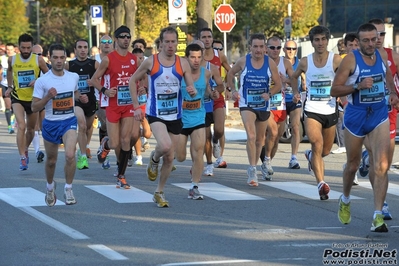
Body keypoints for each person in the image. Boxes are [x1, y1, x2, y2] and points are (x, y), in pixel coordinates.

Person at [332, 23, 399, 232]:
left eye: (375, 38)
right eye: (366, 40)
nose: (372, 43)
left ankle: (377, 215)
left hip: (379, 114)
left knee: (381, 165)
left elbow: (387, 76)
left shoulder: (381, 55)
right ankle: (345, 199)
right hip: (356, 116)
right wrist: (357, 86)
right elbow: (334, 89)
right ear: (358, 42)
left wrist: (393, 93)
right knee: (353, 165)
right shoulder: (351, 60)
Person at [129, 26, 197, 207]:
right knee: (165, 146)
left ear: (177, 43)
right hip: (155, 113)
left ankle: (159, 191)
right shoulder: (151, 62)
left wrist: (191, 90)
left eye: (173, 41)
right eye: (166, 42)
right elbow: (132, 80)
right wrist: (136, 106)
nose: (170, 45)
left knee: (169, 157)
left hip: (175, 114)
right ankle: (154, 157)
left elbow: (191, 88)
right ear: (160, 43)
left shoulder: (183, 63)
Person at [290, 26, 342, 200]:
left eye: (323, 39)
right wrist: (295, 91)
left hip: (330, 109)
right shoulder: (305, 61)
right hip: (312, 109)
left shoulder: (336, 60)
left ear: (327, 41)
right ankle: (321, 184)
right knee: (316, 142)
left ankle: (312, 157)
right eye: (317, 40)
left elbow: (346, 76)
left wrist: (342, 93)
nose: (320, 43)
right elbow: (294, 76)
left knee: (325, 150)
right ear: (312, 42)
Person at [356, 19, 399, 221]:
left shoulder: (392, 56)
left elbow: (393, 82)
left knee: (384, 164)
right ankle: (381, 205)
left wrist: (393, 94)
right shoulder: (356, 57)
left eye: (382, 35)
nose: (379, 39)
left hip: (387, 112)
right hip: (364, 112)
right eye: (376, 35)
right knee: (376, 158)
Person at [226, 33, 282, 186]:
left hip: (263, 104)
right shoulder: (243, 61)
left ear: (265, 48)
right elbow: (230, 73)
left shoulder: (270, 63)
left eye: (261, 46)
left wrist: (269, 93)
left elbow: (278, 85)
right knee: (251, 135)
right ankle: (252, 170)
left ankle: (255, 165)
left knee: (259, 139)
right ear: (250, 47)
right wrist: (232, 90)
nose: (258, 50)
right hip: (246, 103)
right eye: (255, 46)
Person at [32, 43, 82, 206]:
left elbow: (74, 92)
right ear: (49, 58)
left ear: (65, 58)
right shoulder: (42, 81)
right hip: (51, 124)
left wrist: (80, 97)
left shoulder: (73, 76)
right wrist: (47, 97)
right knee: (51, 160)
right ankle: (50, 187)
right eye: (55, 57)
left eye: (62, 57)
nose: (59, 61)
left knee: (69, 155)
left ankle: (68, 189)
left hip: (68, 121)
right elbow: (34, 107)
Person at [91, 26, 139, 189]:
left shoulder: (134, 59)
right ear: (116, 40)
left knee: (126, 140)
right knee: (114, 142)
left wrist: (140, 88)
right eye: (122, 37)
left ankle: (121, 175)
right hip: (112, 105)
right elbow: (94, 79)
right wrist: (105, 90)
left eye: (128, 36)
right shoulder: (108, 59)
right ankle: (105, 144)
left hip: (128, 105)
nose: (126, 39)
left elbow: (140, 78)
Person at [175, 43, 219, 199]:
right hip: (180, 119)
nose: (196, 60)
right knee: (180, 157)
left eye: (199, 57)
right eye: (192, 57)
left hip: (198, 117)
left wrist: (212, 94)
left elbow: (207, 90)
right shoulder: (178, 74)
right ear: (187, 58)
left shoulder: (206, 73)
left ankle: (194, 186)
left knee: (198, 151)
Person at [5, 34, 49, 170]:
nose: (25, 50)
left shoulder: (39, 60)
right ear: (19, 47)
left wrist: (38, 81)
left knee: (31, 130)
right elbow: (10, 71)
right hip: (17, 97)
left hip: (33, 99)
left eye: (28, 48)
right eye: (23, 48)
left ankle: (25, 149)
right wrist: (10, 86)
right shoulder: (12, 59)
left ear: (32, 47)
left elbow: (49, 76)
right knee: (21, 126)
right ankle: (22, 157)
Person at [260, 36, 297, 181]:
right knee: (272, 132)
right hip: (264, 104)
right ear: (266, 48)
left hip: (279, 104)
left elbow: (293, 79)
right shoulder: (260, 62)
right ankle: (266, 160)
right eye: (271, 47)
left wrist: (294, 91)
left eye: (277, 48)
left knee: (276, 139)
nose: (275, 51)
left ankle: (266, 161)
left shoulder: (285, 62)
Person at [65, 39, 99, 170]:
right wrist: (76, 95)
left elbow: (103, 77)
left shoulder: (94, 64)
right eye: (80, 47)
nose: (83, 49)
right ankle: (83, 156)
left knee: (88, 128)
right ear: (75, 50)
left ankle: (82, 149)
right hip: (76, 101)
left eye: (85, 47)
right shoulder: (69, 65)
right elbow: (63, 81)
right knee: (82, 125)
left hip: (91, 101)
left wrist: (95, 82)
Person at [199, 28, 231, 170]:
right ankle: (209, 164)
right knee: (205, 134)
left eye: (209, 37)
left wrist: (227, 87)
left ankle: (216, 140)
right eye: (203, 37)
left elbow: (230, 71)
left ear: (212, 39)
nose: (206, 39)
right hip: (202, 101)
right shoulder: (194, 58)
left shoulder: (219, 56)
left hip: (216, 98)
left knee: (219, 130)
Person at [283, 40, 304, 169]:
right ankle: (267, 158)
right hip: (279, 100)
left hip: (295, 98)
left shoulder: (300, 63)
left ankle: (294, 158)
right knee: (276, 131)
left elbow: (301, 82)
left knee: (296, 127)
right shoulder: (278, 62)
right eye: (288, 48)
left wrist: (287, 80)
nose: (291, 51)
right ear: (284, 49)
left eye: (293, 49)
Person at [94, 35, 114, 169]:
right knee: (106, 124)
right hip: (98, 97)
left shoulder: (116, 58)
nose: (106, 44)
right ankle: (104, 152)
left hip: (114, 97)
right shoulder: (94, 60)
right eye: (104, 42)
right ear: (100, 44)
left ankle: (105, 149)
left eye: (109, 42)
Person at [130, 48, 152, 166]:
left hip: (144, 104)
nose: (140, 61)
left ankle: (138, 142)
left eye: (141, 58)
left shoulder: (147, 73)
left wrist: (146, 89)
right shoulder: (129, 73)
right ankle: (138, 156)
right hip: (131, 105)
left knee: (147, 133)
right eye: (137, 59)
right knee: (135, 133)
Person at [31, 44, 46, 163]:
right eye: (34, 54)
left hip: (45, 99)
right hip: (32, 100)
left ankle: (48, 149)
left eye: (39, 54)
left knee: (44, 125)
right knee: (35, 126)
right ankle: (37, 151)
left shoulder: (47, 67)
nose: (37, 57)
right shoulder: (27, 67)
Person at [1, 43, 17, 134]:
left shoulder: (17, 58)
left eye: (11, 49)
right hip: (4, 84)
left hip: (15, 85)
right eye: (7, 49)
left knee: (14, 106)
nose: (9, 51)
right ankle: (10, 126)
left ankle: (13, 121)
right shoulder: (2, 58)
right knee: (8, 106)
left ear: (14, 49)